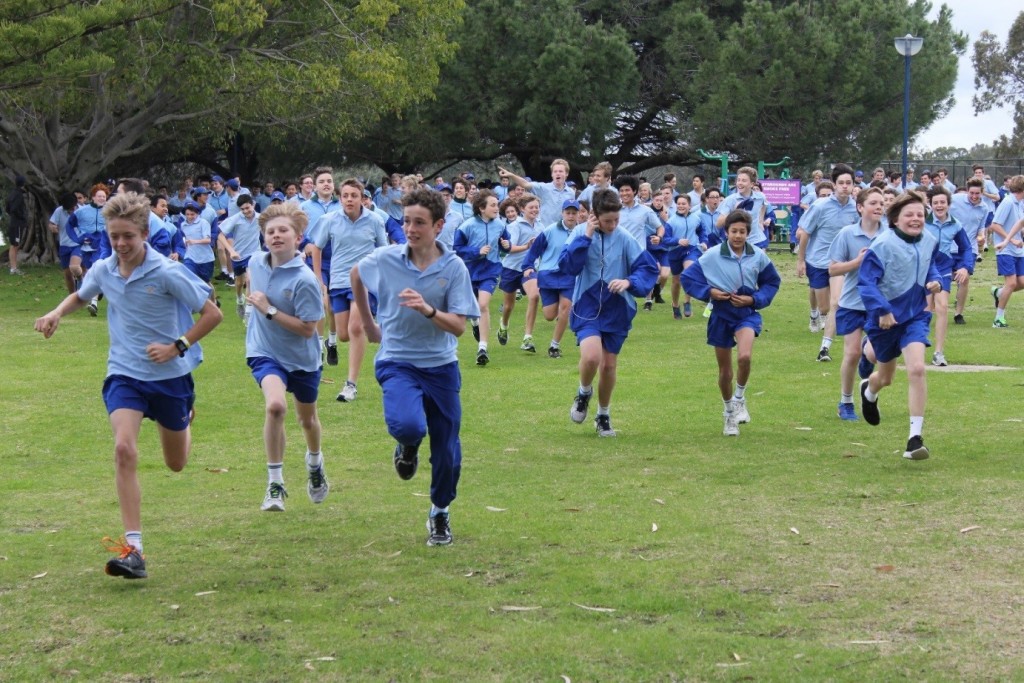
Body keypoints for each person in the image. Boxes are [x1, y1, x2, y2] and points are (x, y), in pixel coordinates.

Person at [33, 192, 222, 578]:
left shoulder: (168, 272)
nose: (120, 244)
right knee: (123, 448)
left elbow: (212, 313)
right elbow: (80, 295)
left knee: (176, 463)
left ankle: (185, 419)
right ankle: (134, 549)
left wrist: (177, 346)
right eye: (114, 236)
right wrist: (56, 312)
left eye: (128, 237)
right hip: (125, 374)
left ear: (144, 233)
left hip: (170, 378)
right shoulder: (104, 269)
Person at [350, 188, 480, 546]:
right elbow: (356, 274)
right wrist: (369, 323)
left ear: (438, 226)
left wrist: (428, 310)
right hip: (398, 361)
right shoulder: (386, 258)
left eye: (419, 222)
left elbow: (458, 326)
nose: (410, 228)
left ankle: (440, 512)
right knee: (408, 425)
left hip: (441, 366)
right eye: (406, 221)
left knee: (447, 451)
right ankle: (407, 447)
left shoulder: (453, 268)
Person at [245, 202, 328, 512]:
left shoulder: (305, 280)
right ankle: (275, 484)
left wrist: (268, 310)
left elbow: (308, 330)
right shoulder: (255, 262)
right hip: (264, 352)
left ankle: (315, 463)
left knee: (307, 420)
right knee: (276, 406)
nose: (276, 236)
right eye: (270, 231)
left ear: (298, 237)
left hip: (303, 358)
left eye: (283, 231)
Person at [562, 189, 659, 437]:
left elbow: (647, 268)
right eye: (607, 221)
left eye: (616, 220)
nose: (613, 225)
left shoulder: (625, 237)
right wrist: (586, 236)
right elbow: (568, 266)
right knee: (592, 357)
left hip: (618, 308)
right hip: (587, 305)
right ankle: (584, 392)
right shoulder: (579, 232)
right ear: (594, 216)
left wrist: (628, 282)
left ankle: (603, 415)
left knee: (608, 366)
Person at [681, 210, 781, 436]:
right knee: (725, 372)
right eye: (733, 231)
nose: (738, 236)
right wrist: (709, 292)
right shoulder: (712, 255)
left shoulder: (758, 255)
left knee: (745, 357)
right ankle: (728, 414)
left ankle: (739, 398)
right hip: (720, 315)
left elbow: (772, 282)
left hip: (746, 313)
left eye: (742, 232)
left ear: (748, 233)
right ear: (726, 232)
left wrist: (754, 299)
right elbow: (688, 278)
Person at [857, 192, 942, 460]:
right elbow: (866, 282)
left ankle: (914, 439)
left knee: (917, 368)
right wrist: (882, 310)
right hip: (885, 319)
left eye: (920, 214)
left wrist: (936, 280)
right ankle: (869, 391)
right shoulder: (882, 245)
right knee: (886, 378)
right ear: (894, 219)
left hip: (916, 314)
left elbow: (932, 265)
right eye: (910, 214)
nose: (916, 219)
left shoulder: (929, 239)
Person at [310, 178, 389, 401]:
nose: (349, 200)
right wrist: (318, 277)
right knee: (344, 334)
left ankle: (350, 384)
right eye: (345, 196)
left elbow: (383, 250)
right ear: (340, 197)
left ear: (361, 197)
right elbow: (317, 247)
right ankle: (355, 334)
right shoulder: (330, 220)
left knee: (356, 328)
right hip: (338, 282)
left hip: (365, 281)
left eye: (353, 195)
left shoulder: (374, 220)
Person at [827, 187, 887, 421]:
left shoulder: (889, 235)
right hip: (851, 302)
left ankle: (867, 354)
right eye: (873, 203)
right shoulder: (847, 234)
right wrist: (858, 261)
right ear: (860, 207)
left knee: (875, 354)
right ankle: (846, 401)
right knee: (850, 353)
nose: (879, 207)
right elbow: (832, 268)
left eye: (881, 203)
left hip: (879, 304)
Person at [796, 163, 858, 362]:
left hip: (841, 264)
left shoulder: (856, 207)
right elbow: (805, 233)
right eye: (841, 183)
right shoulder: (820, 206)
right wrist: (801, 260)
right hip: (818, 261)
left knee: (836, 303)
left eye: (849, 183)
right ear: (834, 184)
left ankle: (824, 347)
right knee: (825, 307)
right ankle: (815, 313)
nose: (845, 186)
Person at [453, 189, 511, 366]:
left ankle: (482, 348)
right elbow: (456, 248)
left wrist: (507, 246)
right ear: (481, 208)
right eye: (493, 205)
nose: (497, 208)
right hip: (469, 271)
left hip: (491, 270)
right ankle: (474, 322)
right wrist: (476, 251)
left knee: (483, 305)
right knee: (472, 308)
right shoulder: (467, 226)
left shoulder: (500, 225)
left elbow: (505, 246)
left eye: (497, 204)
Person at [522, 199, 580, 358]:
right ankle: (557, 318)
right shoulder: (550, 230)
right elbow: (534, 250)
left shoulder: (581, 231)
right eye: (568, 213)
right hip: (548, 274)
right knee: (549, 315)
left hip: (569, 275)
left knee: (566, 308)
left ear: (578, 214)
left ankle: (554, 346)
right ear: (562, 213)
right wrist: (527, 266)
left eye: (574, 213)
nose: (570, 216)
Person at [923, 187, 972, 366]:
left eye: (942, 202)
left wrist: (965, 267)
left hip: (943, 267)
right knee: (925, 309)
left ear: (948, 204)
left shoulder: (956, 224)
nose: (939, 205)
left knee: (942, 307)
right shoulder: (922, 221)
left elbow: (966, 247)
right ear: (930, 204)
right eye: (935, 202)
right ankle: (915, 344)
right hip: (923, 268)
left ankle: (939, 352)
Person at [497, 194, 541, 352]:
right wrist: (527, 247)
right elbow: (510, 248)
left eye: (537, 207)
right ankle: (504, 325)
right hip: (510, 268)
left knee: (534, 296)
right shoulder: (515, 226)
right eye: (531, 207)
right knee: (508, 306)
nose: (535, 210)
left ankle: (527, 337)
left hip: (528, 269)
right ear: (523, 209)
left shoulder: (541, 227)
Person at [218, 194, 263, 325]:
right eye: (242, 209)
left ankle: (249, 314)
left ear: (252, 204)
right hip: (238, 255)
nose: (245, 211)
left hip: (254, 254)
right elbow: (220, 235)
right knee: (239, 283)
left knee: (250, 280)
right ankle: (239, 300)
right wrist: (231, 251)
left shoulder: (260, 218)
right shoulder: (236, 219)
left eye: (247, 208)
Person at [65, 183, 111, 315]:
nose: (102, 199)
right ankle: (88, 286)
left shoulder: (110, 210)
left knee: (94, 270)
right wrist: (77, 238)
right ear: (93, 197)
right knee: (80, 269)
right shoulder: (81, 211)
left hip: (101, 245)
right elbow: (70, 225)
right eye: (100, 196)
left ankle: (93, 303)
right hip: (85, 244)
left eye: (104, 196)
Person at [988, 175, 1024, 328]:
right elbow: (994, 225)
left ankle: (998, 292)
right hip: (1004, 249)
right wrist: (1011, 240)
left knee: (1022, 282)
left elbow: (1019, 224)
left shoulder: (1020, 203)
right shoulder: (1008, 202)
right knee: (1011, 282)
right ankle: (998, 319)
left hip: (1018, 250)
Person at [498, 159, 576, 229]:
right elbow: (525, 184)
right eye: (555, 171)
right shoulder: (544, 188)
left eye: (560, 171)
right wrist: (511, 175)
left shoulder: (571, 193)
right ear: (552, 174)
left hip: (562, 230)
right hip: (545, 230)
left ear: (566, 174)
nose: (557, 174)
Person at [666, 193, 705, 318]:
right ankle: (675, 305)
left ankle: (687, 301)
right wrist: (677, 241)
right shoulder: (671, 221)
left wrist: (704, 242)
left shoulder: (696, 218)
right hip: (675, 251)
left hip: (692, 249)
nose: (681, 206)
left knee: (689, 272)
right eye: (679, 204)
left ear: (689, 205)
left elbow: (702, 231)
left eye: (684, 204)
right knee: (676, 280)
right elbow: (665, 239)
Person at [718, 166, 769, 248]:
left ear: (752, 184)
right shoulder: (730, 200)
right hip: (737, 241)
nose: (740, 183)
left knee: (760, 260)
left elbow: (764, 205)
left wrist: (760, 221)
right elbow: (719, 223)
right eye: (738, 180)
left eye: (744, 181)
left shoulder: (760, 197)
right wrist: (735, 211)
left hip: (756, 240)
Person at [49, 192, 80, 293]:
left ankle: (82, 285)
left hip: (78, 244)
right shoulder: (59, 211)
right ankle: (72, 296)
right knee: (67, 274)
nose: (71, 211)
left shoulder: (83, 210)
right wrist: (53, 227)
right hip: (64, 245)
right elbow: (51, 223)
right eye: (68, 209)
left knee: (74, 267)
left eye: (72, 208)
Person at [5, 175, 28, 275]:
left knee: (14, 245)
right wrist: (22, 217)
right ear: (23, 184)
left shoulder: (11, 194)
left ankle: (14, 267)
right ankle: (13, 268)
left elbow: (7, 208)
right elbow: (14, 209)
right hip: (17, 223)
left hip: (13, 222)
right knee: (15, 245)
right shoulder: (18, 195)